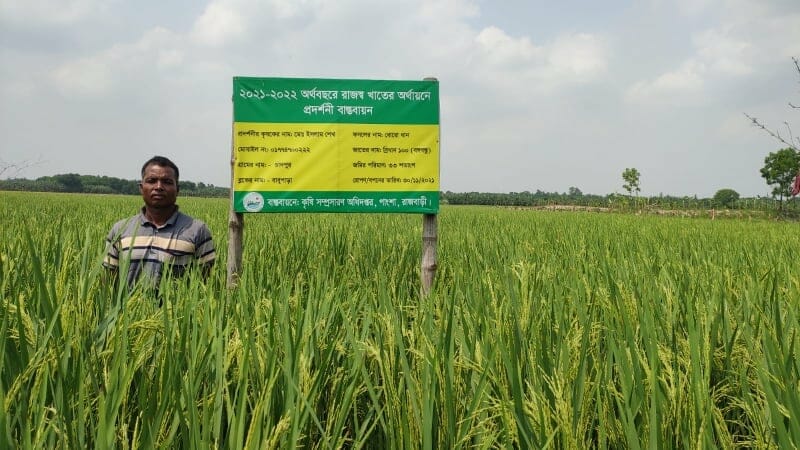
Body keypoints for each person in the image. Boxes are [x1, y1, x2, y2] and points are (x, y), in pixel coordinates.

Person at [103, 156, 216, 293]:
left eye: (167, 182)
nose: (158, 187)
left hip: (177, 314)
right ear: (141, 187)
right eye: (151, 181)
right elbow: (108, 284)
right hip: (125, 313)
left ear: (177, 189)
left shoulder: (197, 230)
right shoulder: (120, 229)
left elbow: (206, 285)